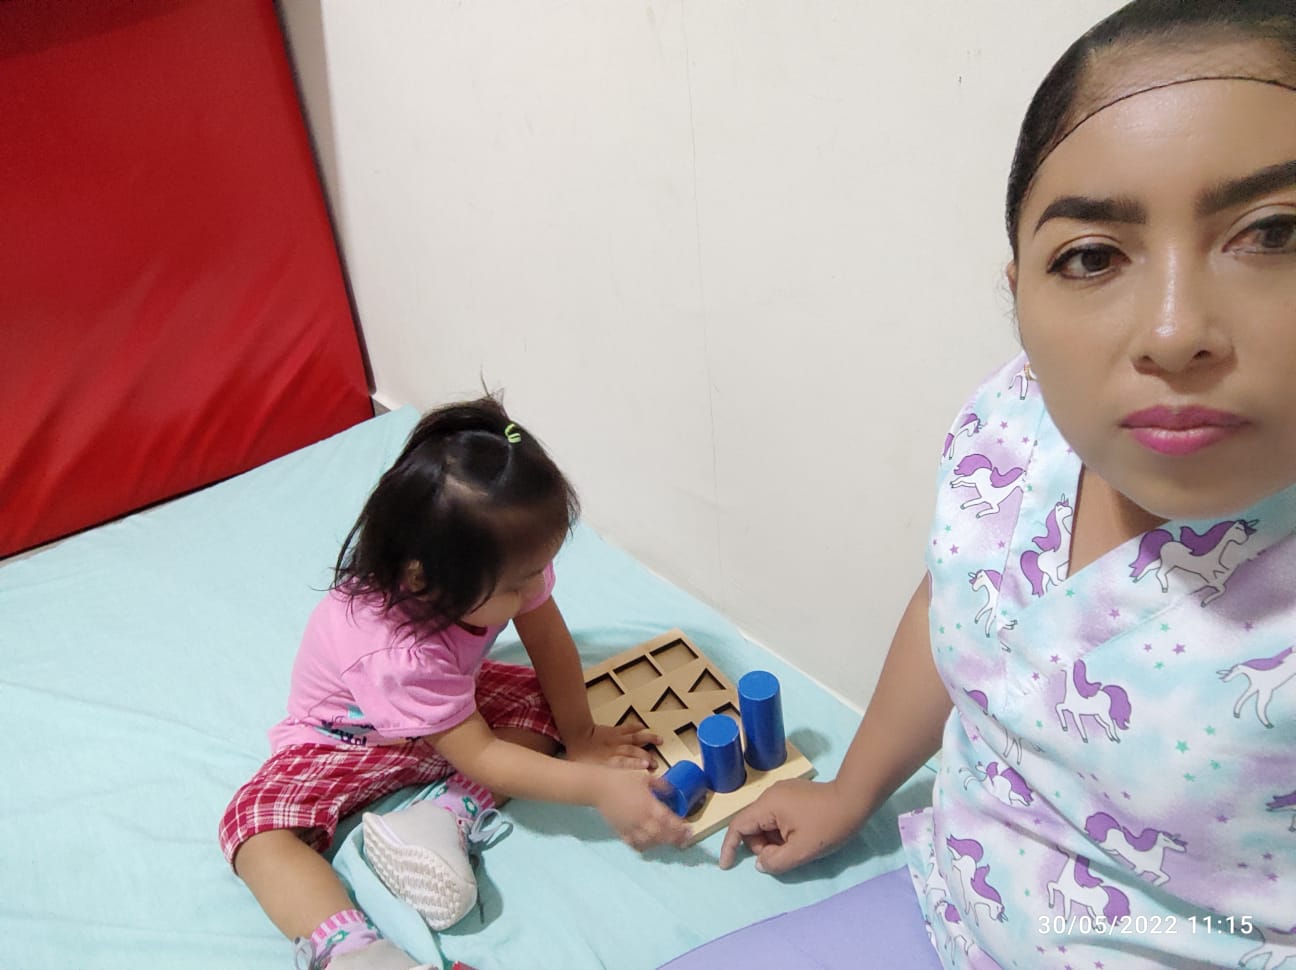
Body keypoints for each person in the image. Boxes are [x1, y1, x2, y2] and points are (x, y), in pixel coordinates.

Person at [718, 2, 1296, 967]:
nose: (1173, 331)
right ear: (1020, 292)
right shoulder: (1015, 423)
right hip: (951, 899)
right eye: (1092, 255)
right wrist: (852, 791)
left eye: (1274, 233)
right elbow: (960, 601)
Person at [219, 397, 690, 970]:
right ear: (423, 580)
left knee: (549, 698)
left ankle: (441, 815)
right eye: (516, 585)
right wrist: (595, 786)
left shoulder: (500, 567)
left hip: (444, 720)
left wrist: (582, 735)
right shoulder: (395, 653)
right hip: (345, 742)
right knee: (254, 827)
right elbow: (484, 754)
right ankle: (354, 951)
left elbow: (547, 640)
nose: (533, 590)